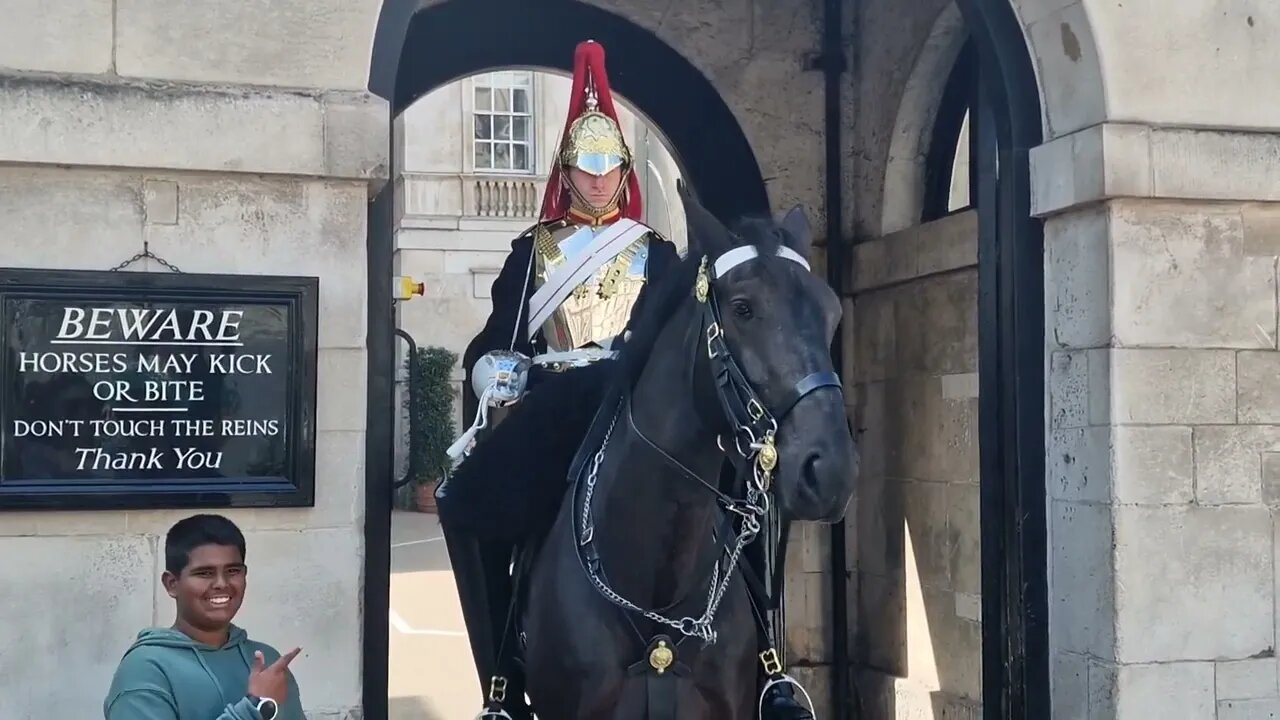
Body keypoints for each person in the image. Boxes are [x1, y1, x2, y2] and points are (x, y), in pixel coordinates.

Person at [436, 39, 815, 720]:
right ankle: (499, 681)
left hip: (642, 397)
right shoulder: (534, 252)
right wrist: (499, 368)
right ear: (568, 171)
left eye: (611, 166)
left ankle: (769, 667)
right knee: (466, 502)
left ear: (625, 171)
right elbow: (496, 339)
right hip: (560, 399)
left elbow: (683, 335)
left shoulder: (658, 253)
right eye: (588, 167)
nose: (601, 179)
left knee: (746, 494)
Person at [103, 514, 303, 720]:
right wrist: (255, 708)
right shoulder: (145, 669)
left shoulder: (266, 660)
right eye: (205, 573)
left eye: (232, 571)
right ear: (172, 584)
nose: (221, 584)